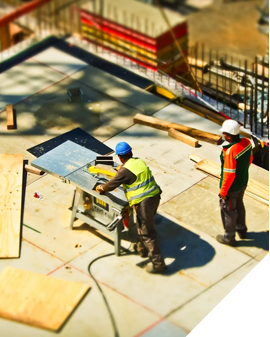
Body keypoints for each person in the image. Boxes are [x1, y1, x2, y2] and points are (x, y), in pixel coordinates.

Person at [96, 142, 167, 274]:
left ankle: (159, 264)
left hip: (144, 203)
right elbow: (130, 171)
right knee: (143, 226)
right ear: (130, 152)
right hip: (155, 196)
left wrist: (101, 188)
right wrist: (122, 168)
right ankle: (142, 249)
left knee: (147, 233)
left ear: (120, 157)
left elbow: (110, 185)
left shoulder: (124, 171)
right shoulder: (137, 161)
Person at [216, 119, 253, 246]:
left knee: (228, 210)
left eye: (224, 133)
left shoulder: (231, 151)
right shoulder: (246, 143)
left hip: (232, 188)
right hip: (242, 182)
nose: (223, 135)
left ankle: (229, 238)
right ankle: (242, 230)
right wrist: (242, 174)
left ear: (229, 135)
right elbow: (250, 158)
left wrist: (223, 191)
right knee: (239, 205)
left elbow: (229, 174)